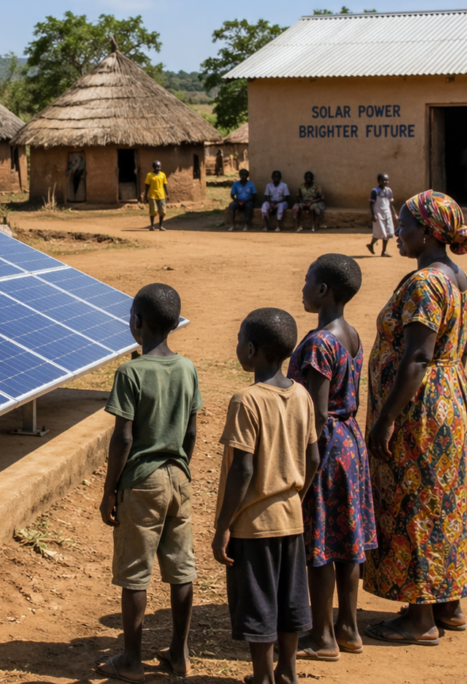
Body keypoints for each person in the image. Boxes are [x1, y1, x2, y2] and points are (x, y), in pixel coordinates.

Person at [363, 191, 467, 646]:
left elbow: (416, 357)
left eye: (405, 226)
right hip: (451, 400)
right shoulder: (459, 279)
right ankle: (448, 605)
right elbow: (459, 350)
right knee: (445, 501)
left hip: (420, 410)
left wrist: (386, 419)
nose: (398, 233)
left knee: (416, 503)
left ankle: (419, 618)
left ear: (427, 232)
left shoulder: (426, 284)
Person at [97, 283, 201, 682]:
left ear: (137, 322)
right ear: (174, 323)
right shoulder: (188, 367)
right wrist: (181, 466)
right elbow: (191, 430)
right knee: (181, 569)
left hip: (141, 482)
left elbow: (123, 437)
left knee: (136, 573)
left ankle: (131, 660)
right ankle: (180, 653)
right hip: (179, 477)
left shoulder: (131, 371)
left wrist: (110, 489)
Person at [213, 308, 319, 684]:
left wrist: (223, 527)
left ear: (253, 350)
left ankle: (262, 677)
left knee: (258, 604)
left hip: (253, 526)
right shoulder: (302, 394)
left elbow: (242, 470)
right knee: (290, 601)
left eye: (240, 339)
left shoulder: (246, 400)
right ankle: (287, 672)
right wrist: (295, 498)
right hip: (291, 519)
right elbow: (313, 458)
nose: (237, 344)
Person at [289, 255, 376, 662]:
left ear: (323, 290)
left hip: (325, 446)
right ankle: (348, 627)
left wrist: (304, 464)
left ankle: (322, 636)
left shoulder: (319, 341)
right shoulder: (351, 334)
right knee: (347, 541)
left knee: (320, 543)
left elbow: (317, 411)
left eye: (308, 281)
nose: (303, 286)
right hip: (350, 444)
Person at [367, 174, 397, 256]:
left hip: (387, 213)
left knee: (388, 232)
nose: (386, 182)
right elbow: (371, 203)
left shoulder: (389, 191)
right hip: (378, 214)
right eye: (383, 180)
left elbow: (390, 204)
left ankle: (383, 251)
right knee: (380, 232)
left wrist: (394, 213)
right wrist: (373, 215)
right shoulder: (375, 191)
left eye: (387, 180)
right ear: (379, 181)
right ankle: (371, 244)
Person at [144, 161, 168, 232]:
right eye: (156, 167)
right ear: (153, 167)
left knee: (162, 211)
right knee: (153, 211)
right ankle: (152, 226)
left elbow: (165, 185)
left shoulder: (163, 175)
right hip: (152, 195)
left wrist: (167, 194)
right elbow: (147, 185)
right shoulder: (149, 175)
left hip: (161, 195)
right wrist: (145, 195)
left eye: (159, 166)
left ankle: (160, 226)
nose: (158, 168)